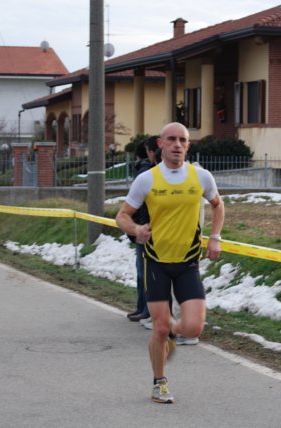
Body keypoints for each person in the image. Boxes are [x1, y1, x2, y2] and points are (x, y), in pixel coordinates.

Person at [116, 122, 225, 404]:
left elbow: (217, 205)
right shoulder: (147, 180)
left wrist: (215, 237)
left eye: (183, 140)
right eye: (172, 139)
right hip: (156, 262)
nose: (177, 145)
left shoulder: (201, 176)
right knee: (159, 328)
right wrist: (136, 230)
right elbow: (122, 216)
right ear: (161, 144)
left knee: (193, 328)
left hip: (188, 262)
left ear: (188, 145)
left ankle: (173, 334)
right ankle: (159, 383)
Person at [127, 136, 160, 322]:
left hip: (147, 228)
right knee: (144, 272)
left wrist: (137, 226)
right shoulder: (147, 173)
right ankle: (143, 308)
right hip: (144, 227)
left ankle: (147, 309)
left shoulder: (146, 174)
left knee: (146, 272)